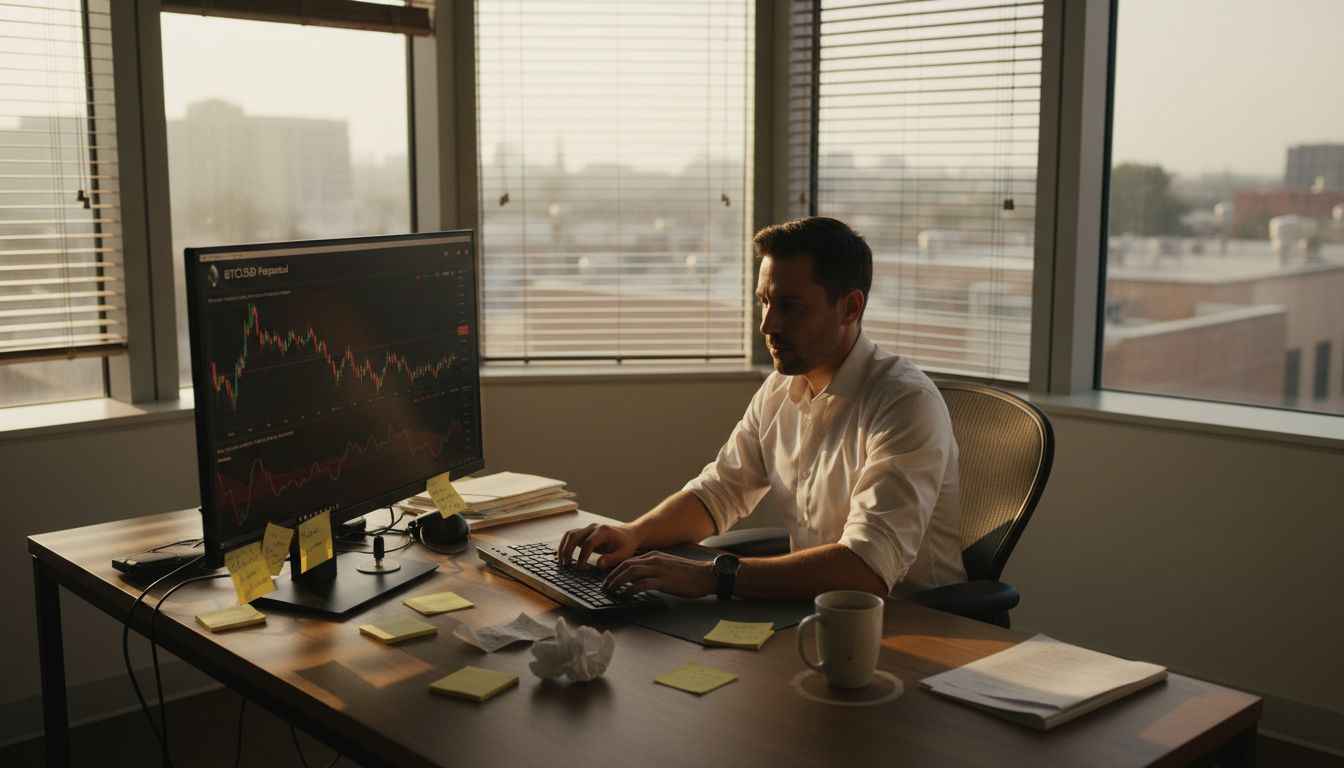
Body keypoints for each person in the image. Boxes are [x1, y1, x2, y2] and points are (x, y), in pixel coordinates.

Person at [558, 216, 965, 600]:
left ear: (850, 308)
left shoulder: (904, 403)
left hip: (914, 624)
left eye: (790, 306)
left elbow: (866, 567)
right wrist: (635, 534)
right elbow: (719, 492)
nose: (768, 326)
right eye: (764, 302)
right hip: (809, 609)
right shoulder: (779, 390)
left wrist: (712, 576)